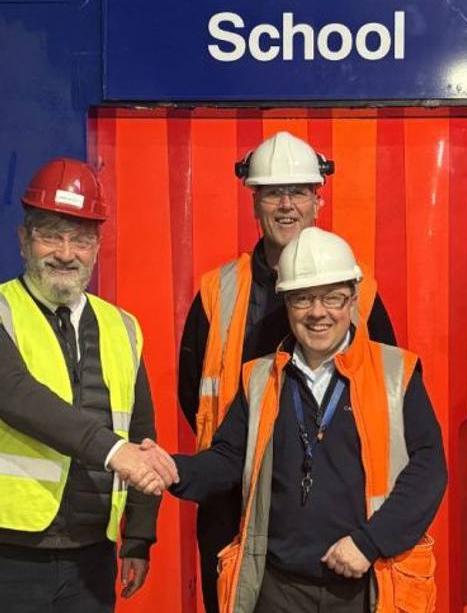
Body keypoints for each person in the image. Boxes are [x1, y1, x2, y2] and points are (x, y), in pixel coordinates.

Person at [0, 158, 179, 612]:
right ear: (24, 240)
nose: (66, 253)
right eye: (51, 235)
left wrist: (139, 535)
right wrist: (114, 452)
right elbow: (17, 395)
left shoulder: (123, 327)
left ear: (97, 247)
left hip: (89, 557)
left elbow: (141, 433)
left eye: (81, 239)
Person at [166, 227, 445, 613]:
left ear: (353, 300)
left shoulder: (396, 373)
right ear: (286, 303)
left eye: (332, 297)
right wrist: (174, 470)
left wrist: (369, 543)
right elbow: (228, 458)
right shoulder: (260, 379)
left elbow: (429, 469)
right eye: (303, 298)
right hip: (278, 589)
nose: (318, 312)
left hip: (365, 584)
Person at [178, 131, 397, 612]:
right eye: (273, 193)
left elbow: (388, 399)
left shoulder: (362, 293)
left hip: (333, 511)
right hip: (231, 501)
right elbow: (191, 389)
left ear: (318, 200)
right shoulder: (218, 290)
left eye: (298, 191)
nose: (286, 205)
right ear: (254, 202)